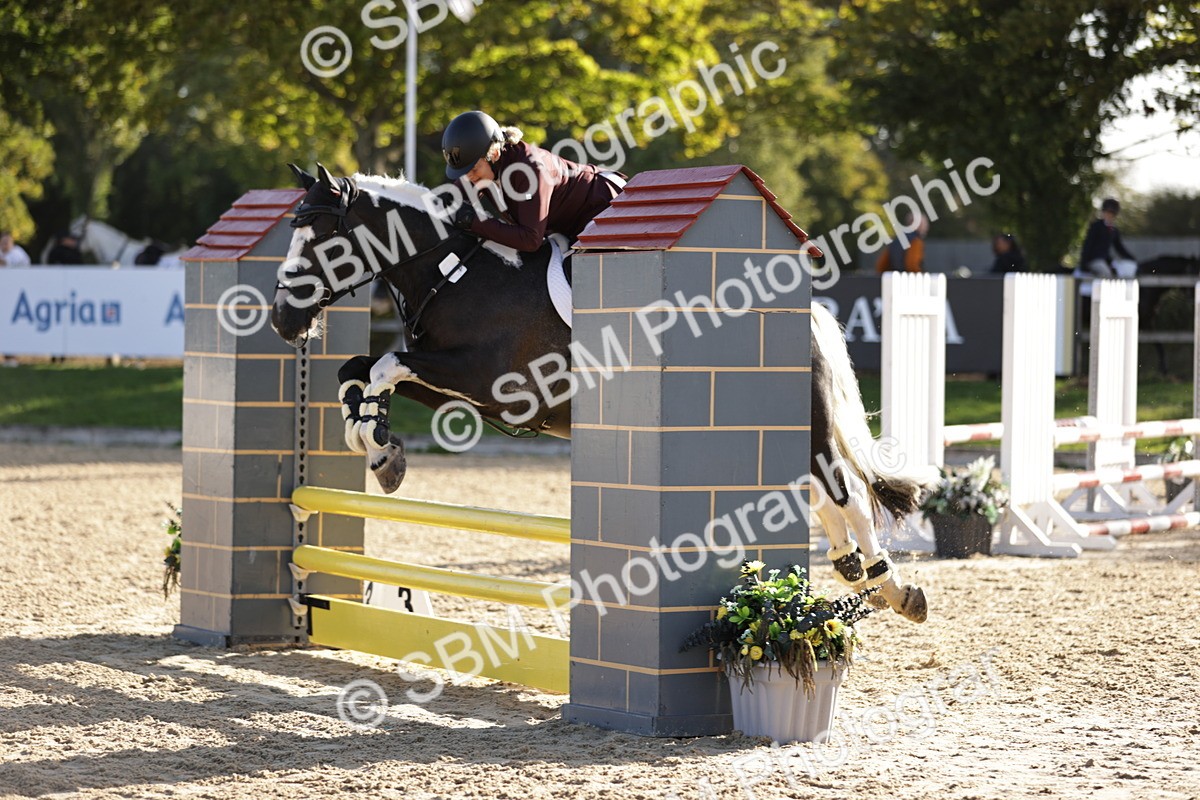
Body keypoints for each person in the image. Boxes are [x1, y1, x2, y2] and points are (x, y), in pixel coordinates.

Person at [441, 110, 625, 252]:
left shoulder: (530, 170)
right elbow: (449, 203)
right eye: (464, 172)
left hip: (606, 206)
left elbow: (530, 240)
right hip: (570, 222)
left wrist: (474, 222)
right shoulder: (484, 166)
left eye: (473, 169)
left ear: (494, 154)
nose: (469, 178)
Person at [1079, 198, 1136, 279]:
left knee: (1119, 271)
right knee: (1106, 273)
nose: (1108, 215)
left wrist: (1131, 258)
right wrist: (1083, 263)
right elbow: (1088, 244)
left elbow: (1119, 247)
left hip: (1106, 260)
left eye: (1111, 213)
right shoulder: (1096, 226)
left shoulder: (1114, 230)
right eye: (1106, 212)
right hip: (1093, 260)